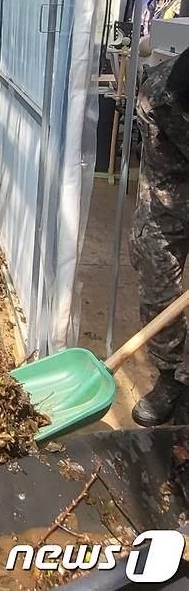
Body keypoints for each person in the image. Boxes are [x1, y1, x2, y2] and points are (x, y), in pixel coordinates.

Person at [130, 48, 189, 427]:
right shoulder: (161, 94)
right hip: (172, 193)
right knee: (156, 277)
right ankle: (170, 378)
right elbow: (162, 169)